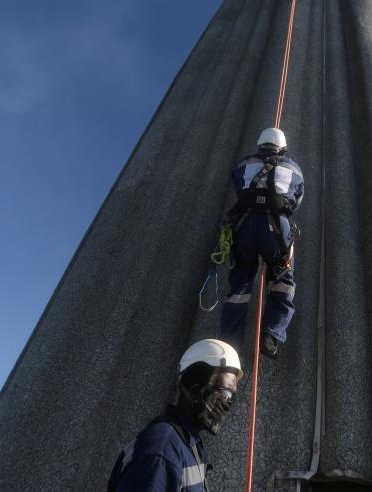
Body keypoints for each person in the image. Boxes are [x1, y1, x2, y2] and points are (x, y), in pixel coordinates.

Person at [107, 339, 242, 492]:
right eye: (225, 393)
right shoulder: (162, 449)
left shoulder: (189, 445)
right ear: (194, 389)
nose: (228, 403)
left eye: (232, 398)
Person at [219, 127, 304, 359]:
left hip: (245, 225)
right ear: (283, 148)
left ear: (259, 145)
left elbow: (237, 185)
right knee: (283, 281)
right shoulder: (294, 168)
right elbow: (296, 200)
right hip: (277, 227)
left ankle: (229, 343)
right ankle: (271, 334)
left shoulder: (243, 164)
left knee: (240, 283)